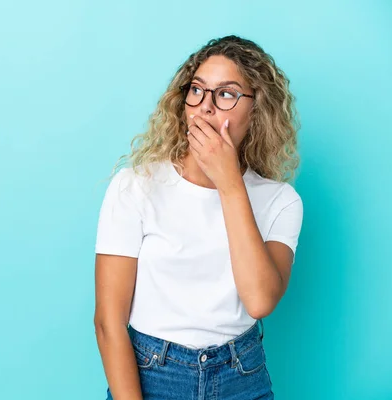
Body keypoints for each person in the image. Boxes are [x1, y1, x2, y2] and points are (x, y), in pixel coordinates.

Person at [93, 35, 304, 400]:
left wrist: (229, 184)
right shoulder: (134, 188)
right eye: (197, 90)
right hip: (152, 375)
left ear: (257, 110)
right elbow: (108, 322)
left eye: (226, 94)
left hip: (242, 377)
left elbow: (259, 301)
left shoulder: (281, 201)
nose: (205, 107)